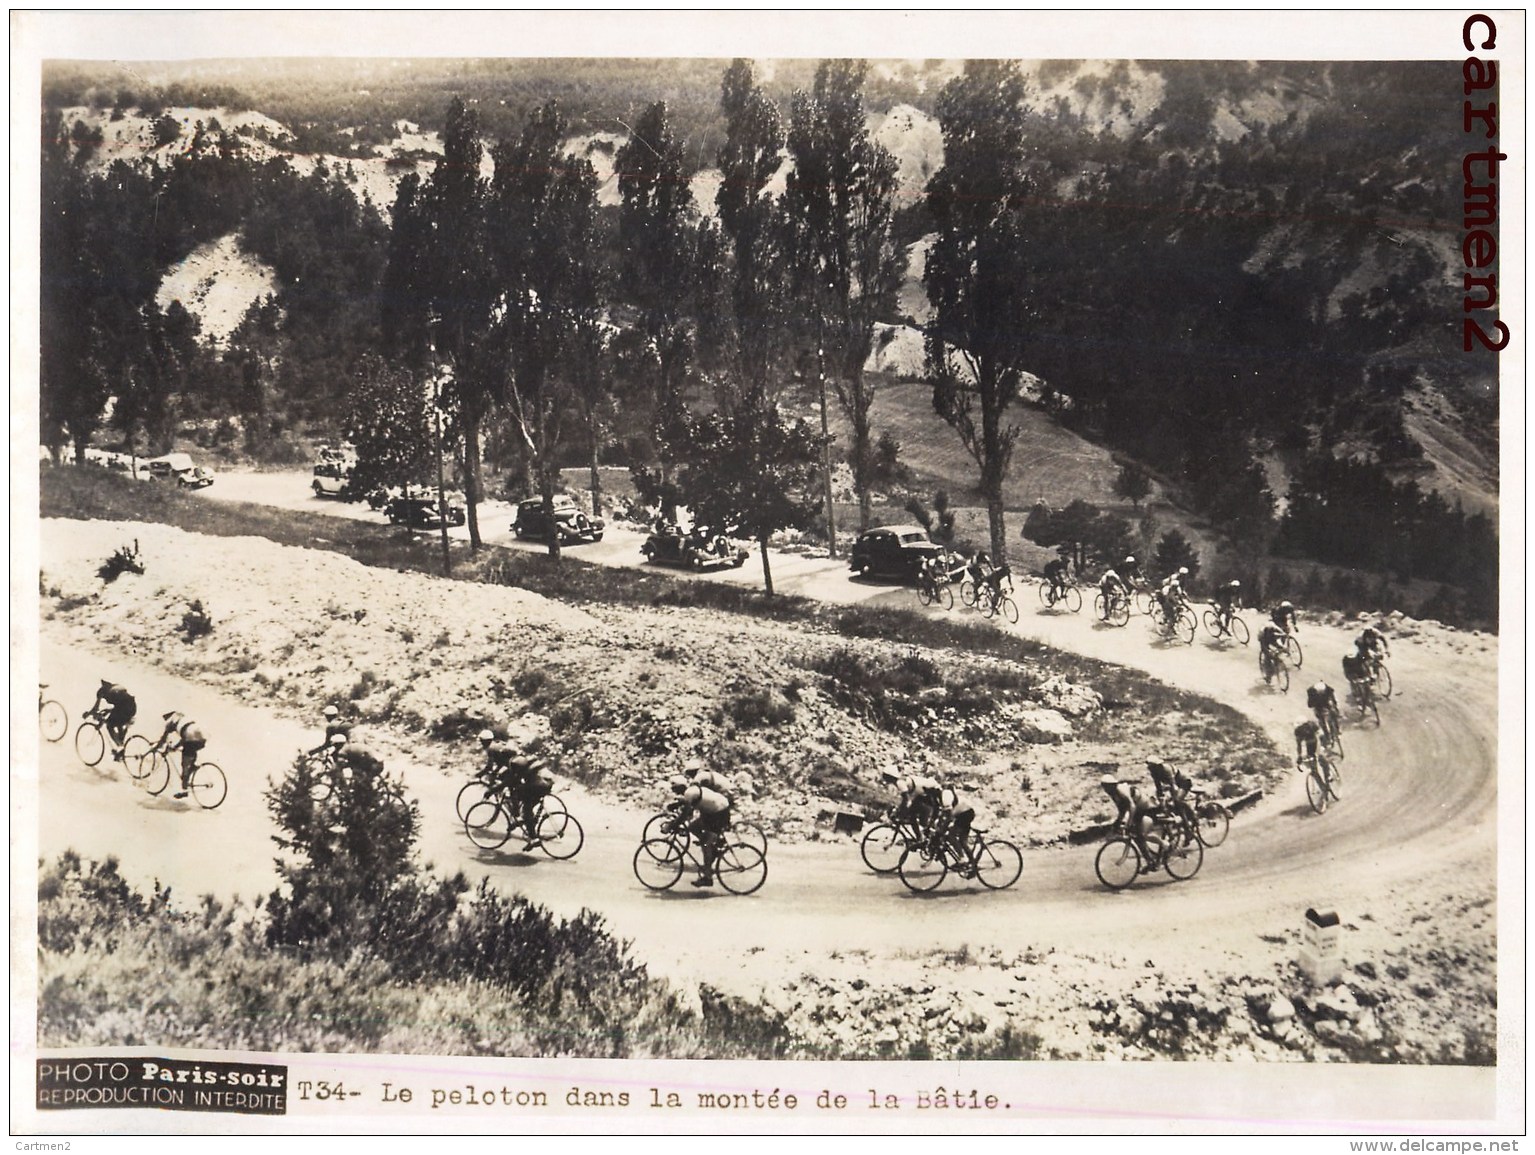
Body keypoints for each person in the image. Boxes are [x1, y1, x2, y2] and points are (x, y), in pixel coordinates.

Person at [1100, 773, 1163, 865]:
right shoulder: (1113, 794)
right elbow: (1122, 811)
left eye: (1106, 787)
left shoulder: (1120, 790)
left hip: (1147, 808)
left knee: (1142, 834)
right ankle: (1150, 860)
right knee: (1136, 836)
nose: (1105, 789)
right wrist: (1117, 823)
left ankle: (1164, 844)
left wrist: (1129, 823)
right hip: (1138, 809)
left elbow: (1132, 806)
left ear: (1111, 785)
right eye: (1103, 787)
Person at [681, 780, 732, 887]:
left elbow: (684, 815)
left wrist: (672, 825)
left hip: (719, 812)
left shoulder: (688, 794)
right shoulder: (691, 791)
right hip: (713, 810)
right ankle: (715, 845)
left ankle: (707, 877)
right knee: (693, 827)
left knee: (705, 844)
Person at [158, 711, 207, 799]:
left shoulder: (170, 722)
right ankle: (191, 768)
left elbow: (165, 740)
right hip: (202, 737)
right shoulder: (181, 717)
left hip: (191, 738)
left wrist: (173, 747)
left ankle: (184, 790)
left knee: (185, 764)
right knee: (190, 754)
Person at [90, 679, 137, 759]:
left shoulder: (102, 692)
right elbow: (120, 703)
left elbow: (95, 709)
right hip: (133, 707)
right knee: (119, 722)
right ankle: (120, 748)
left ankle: (120, 746)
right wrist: (107, 711)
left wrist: (89, 713)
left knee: (110, 726)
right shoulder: (116, 687)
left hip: (123, 708)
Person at [1306, 680, 1340, 746]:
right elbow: (1310, 704)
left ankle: (1337, 729)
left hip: (1326, 703)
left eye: (1322, 692)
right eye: (1319, 693)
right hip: (1318, 706)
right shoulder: (1311, 691)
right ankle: (1326, 734)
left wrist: (1335, 706)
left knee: (1334, 713)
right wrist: (1314, 705)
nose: (1321, 694)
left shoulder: (1328, 689)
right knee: (1321, 719)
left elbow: (1334, 699)